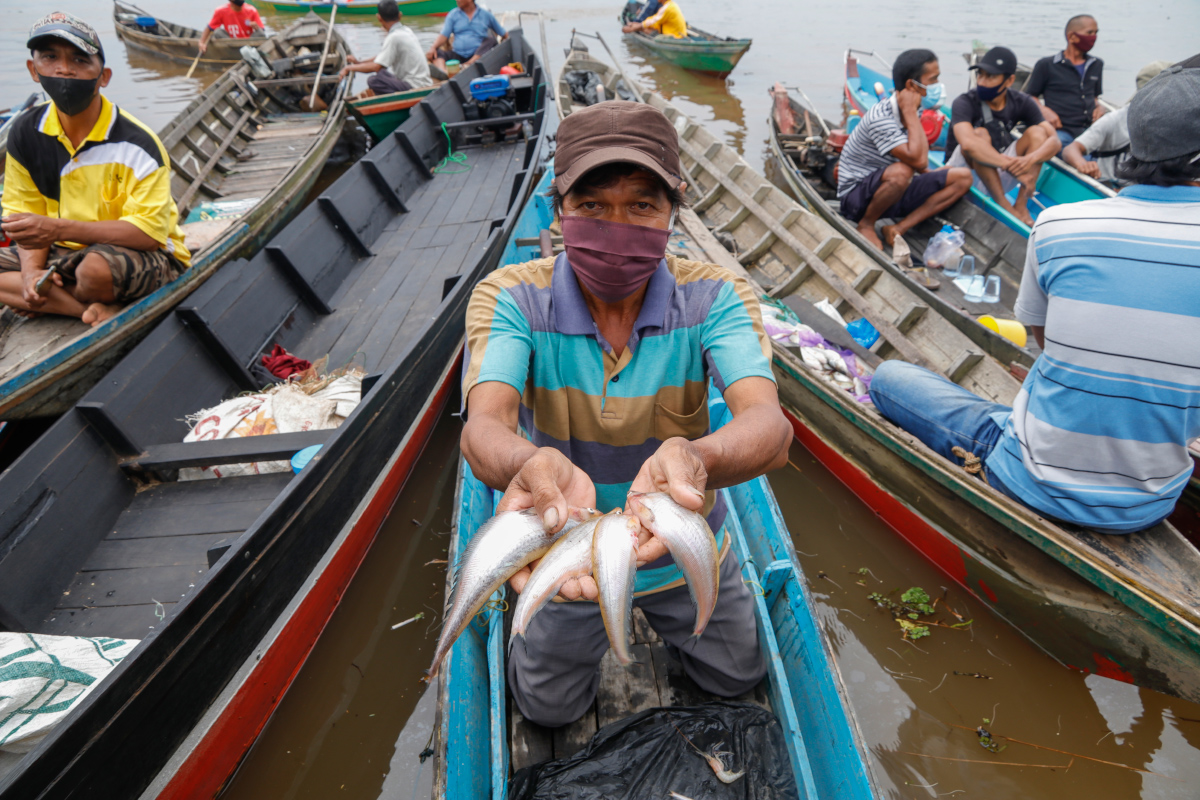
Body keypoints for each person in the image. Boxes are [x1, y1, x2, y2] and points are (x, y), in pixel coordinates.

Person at [460, 101, 792, 727]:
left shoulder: (715, 296)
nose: (617, 226)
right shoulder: (511, 297)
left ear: (672, 213)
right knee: (547, 711)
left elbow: (768, 428)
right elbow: (485, 427)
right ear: (559, 211)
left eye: (641, 205)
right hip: (566, 550)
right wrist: (530, 465)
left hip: (682, 548)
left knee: (737, 676)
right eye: (592, 205)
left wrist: (696, 457)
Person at [867, 54, 1200, 535]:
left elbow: (1046, 341)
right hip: (1148, 506)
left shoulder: (1059, 224)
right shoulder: (970, 108)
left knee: (889, 378)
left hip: (1027, 477)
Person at [0, 12, 190, 327]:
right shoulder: (26, 132)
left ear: (104, 77)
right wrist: (31, 272)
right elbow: (25, 216)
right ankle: (85, 309)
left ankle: (54, 298)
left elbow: (147, 234)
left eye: (79, 60)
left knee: (94, 272)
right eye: (50, 57)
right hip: (64, 251)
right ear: (34, 70)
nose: (64, 69)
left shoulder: (138, 143)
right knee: (50, 272)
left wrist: (57, 230)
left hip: (145, 255)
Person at [836, 49, 973, 249]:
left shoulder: (916, 107)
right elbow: (917, 160)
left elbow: (919, 157)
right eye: (933, 80)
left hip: (891, 192)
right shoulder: (880, 117)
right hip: (856, 199)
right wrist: (909, 112)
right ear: (911, 85)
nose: (937, 85)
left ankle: (897, 228)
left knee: (962, 177)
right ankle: (866, 224)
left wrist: (930, 174)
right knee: (902, 172)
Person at [945, 46, 1060, 226]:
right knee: (979, 134)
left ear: (1009, 80)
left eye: (990, 76)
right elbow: (967, 144)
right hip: (963, 172)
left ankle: (1021, 205)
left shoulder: (1021, 101)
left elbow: (1054, 141)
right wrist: (1011, 167)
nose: (982, 82)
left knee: (1038, 133)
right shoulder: (964, 102)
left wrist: (1029, 160)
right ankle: (1004, 205)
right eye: (980, 75)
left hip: (997, 172)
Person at [1061, 60, 1171, 186]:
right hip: (1110, 185)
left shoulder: (1175, 125)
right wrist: (1083, 165)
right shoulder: (1116, 120)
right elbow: (1071, 149)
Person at [1024, 15, 1104, 147]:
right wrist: (1043, 110)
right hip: (1060, 129)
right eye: (1089, 33)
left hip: (1088, 129)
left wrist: (1100, 108)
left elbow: (1095, 97)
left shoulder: (1096, 64)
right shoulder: (1047, 65)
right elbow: (1029, 96)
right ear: (1072, 36)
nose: (1093, 37)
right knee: (1069, 150)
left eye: (1096, 33)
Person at [338, 1, 432, 96]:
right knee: (382, 74)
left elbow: (376, 67)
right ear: (400, 15)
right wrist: (359, 63)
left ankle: (398, 99)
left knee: (373, 80)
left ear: (379, 18)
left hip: (415, 86)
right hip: (422, 82)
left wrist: (349, 68)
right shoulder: (406, 30)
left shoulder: (394, 37)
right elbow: (381, 58)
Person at [425, 0, 505, 75]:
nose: (457, 0)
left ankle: (468, 64)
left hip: (478, 54)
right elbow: (444, 35)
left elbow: (503, 34)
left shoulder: (486, 14)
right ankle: (443, 72)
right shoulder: (453, 15)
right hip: (458, 55)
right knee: (437, 52)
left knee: (491, 40)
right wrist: (433, 48)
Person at [198, 0, 263, 55]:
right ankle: (233, 52)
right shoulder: (221, 10)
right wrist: (201, 43)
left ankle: (247, 52)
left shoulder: (251, 10)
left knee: (261, 33)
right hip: (231, 42)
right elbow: (209, 28)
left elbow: (261, 31)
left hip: (248, 42)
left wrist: (256, 27)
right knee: (217, 32)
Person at [621, 0, 686, 38]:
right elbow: (654, 18)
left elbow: (653, 21)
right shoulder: (671, 4)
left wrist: (633, 27)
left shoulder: (668, 8)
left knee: (644, 29)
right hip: (675, 33)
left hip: (673, 36)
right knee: (646, 26)